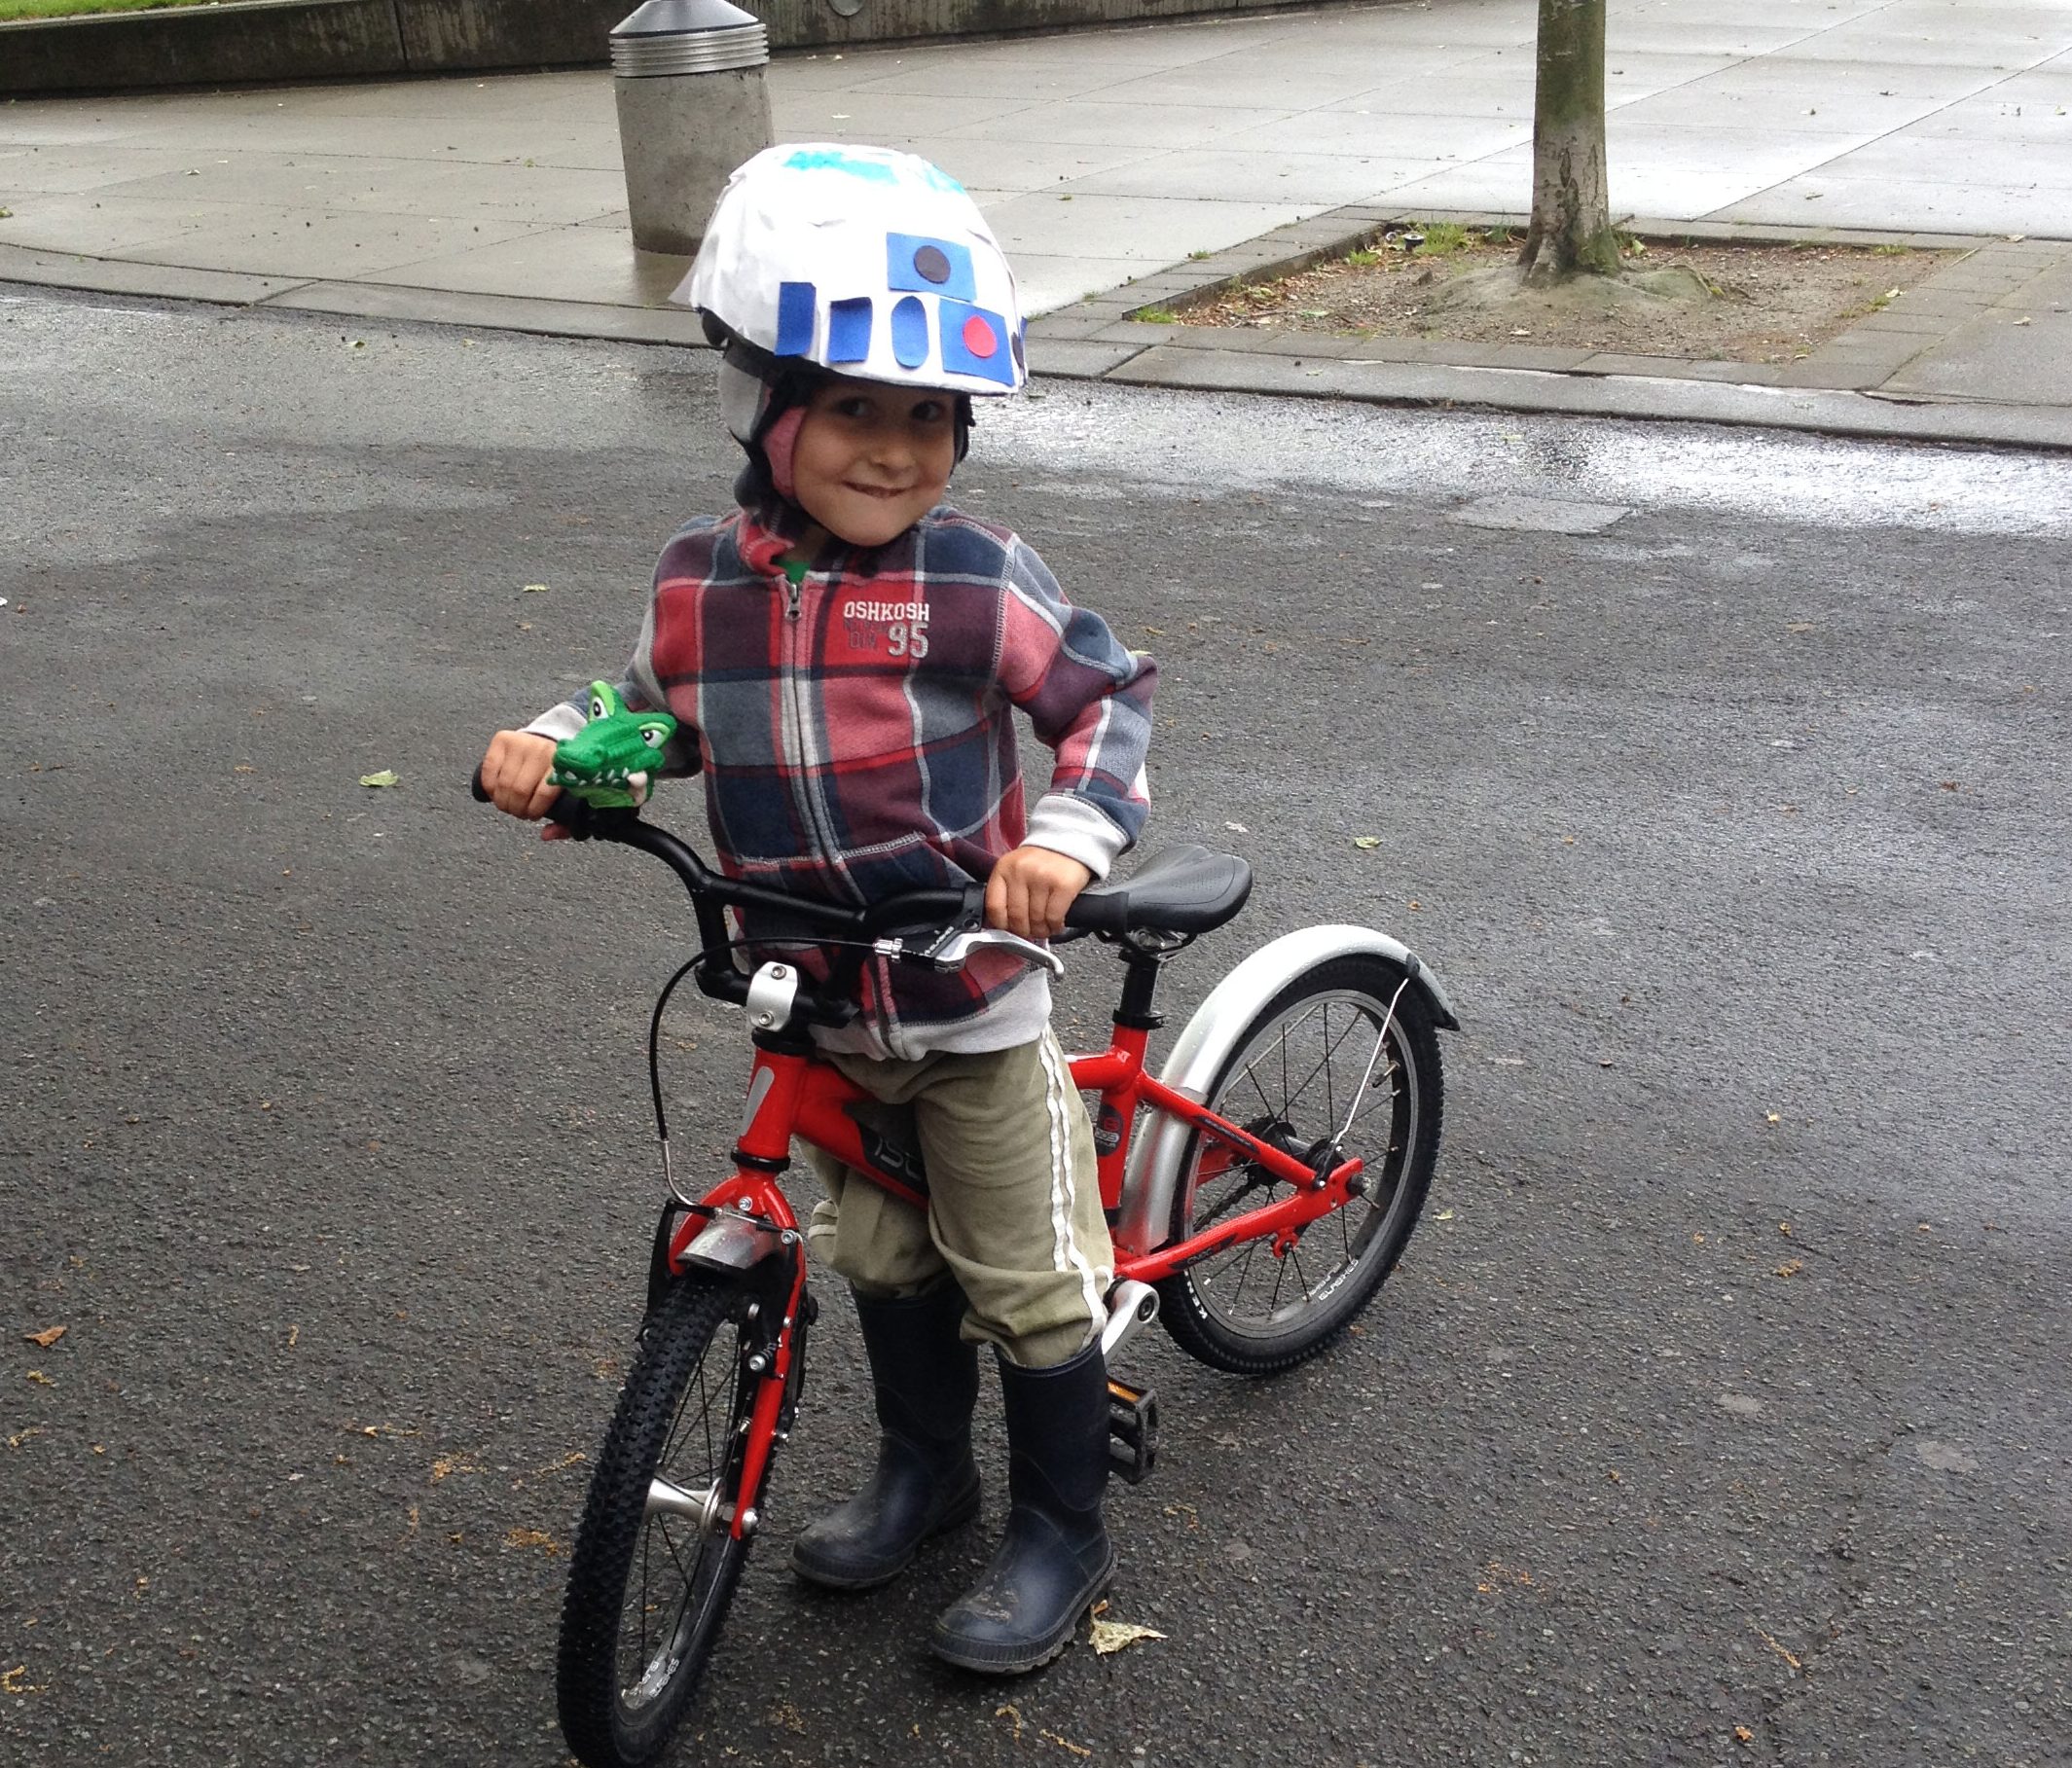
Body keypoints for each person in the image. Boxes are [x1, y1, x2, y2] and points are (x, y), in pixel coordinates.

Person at [478, 143, 1156, 1677]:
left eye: (932, 416)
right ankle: (928, 1474)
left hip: (968, 996)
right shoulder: (697, 587)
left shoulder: (978, 577)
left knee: (1030, 1278)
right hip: (814, 995)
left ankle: (1061, 1533)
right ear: (762, 409)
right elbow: (646, 711)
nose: (901, 448)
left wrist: (1062, 837)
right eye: (858, 407)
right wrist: (554, 744)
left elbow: (1105, 700)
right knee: (890, 1260)